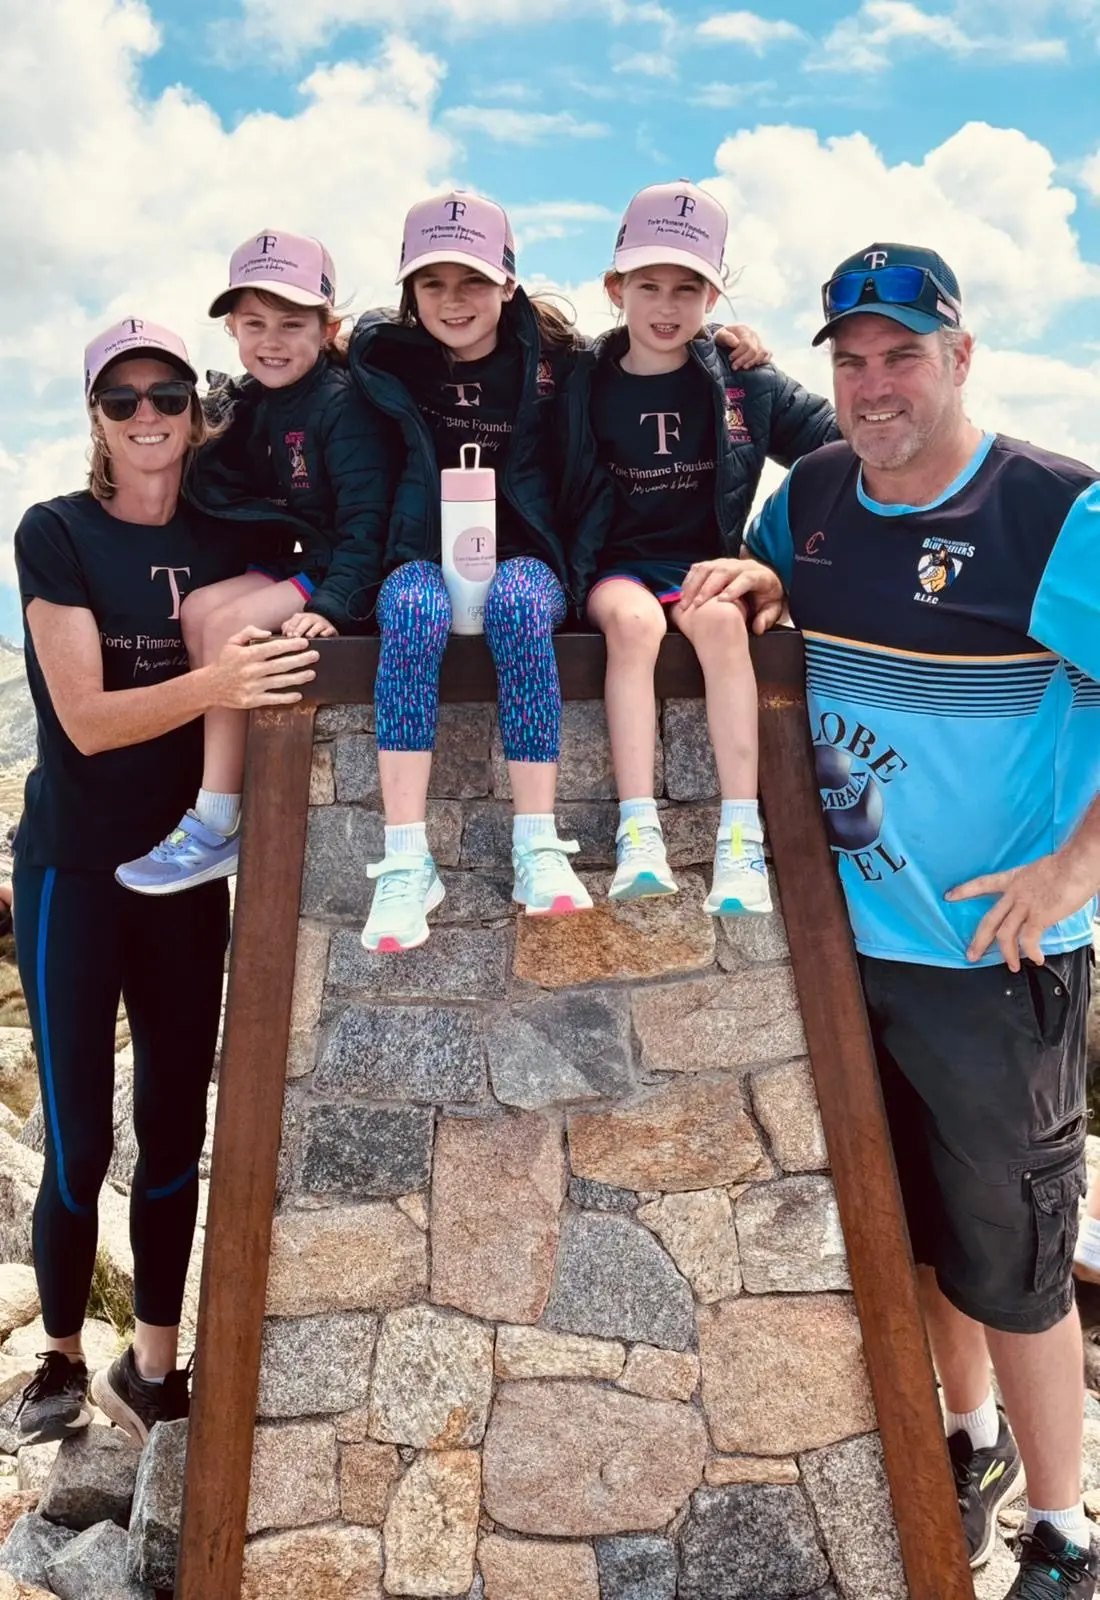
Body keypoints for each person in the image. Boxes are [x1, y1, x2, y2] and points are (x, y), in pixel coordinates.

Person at [687, 243, 1100, 1597]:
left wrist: (1071, 872)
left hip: (995, 964)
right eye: (851, 359)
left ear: (961, 357)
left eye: (902, 354)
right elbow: (758, 581)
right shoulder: (809, 500)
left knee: (1023, 1263)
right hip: (850, 956)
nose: (873, 384)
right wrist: (753, 587)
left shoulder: (1059, 509)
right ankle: (967, 1441)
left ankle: (1062, 1535)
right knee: (927, 1235)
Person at [11, 318, 317, 1446]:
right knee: (82, 1136)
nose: (148, 417)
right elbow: (85, 721)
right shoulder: (56, 533)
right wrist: (221, 679)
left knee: (176, 1127)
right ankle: (53, 1357)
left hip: (190, 867)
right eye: (122, 400)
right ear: (93, 417)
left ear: (198, 410)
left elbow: (351, 516)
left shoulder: (235, 530)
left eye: (168, 396)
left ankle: (152, 1365)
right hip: (78, 871)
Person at [346, 190, 768, 953]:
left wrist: (729, 345)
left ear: (508, 282)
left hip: (527, 554)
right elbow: (304, 372)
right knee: (407, 617)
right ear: (408, 292)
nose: (454, 300)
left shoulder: (555, 360)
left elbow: (647, 350)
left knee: (518, 609)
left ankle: (537, 844)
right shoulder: (383, 358)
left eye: (473, 280)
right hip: (420, 556)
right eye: (432, 284)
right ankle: (408, 860)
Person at [561, 180, 836, 912]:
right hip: (615, 567)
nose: (666, 305)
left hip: (701, 565)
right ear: (615, 287)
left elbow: (842, 452)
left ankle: (739, 840)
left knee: (720, 624)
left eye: (689, 287)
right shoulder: (578, 380)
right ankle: (638, 829)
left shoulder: (745, 383)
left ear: (714, 297)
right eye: (647, 285)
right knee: (635, 625)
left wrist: (777, 565)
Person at [115, 230, 396, 895]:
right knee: (201, 608)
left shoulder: (342, 404)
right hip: (308, 555)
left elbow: (369, 522)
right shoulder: (255, 400)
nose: (271, 340)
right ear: (234, 329)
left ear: (326, 329)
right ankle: (217, 792)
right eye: (253, 323)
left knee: (226, 626)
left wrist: (333, 605)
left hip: (346, 570)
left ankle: (215, 821)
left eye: (291, 324)